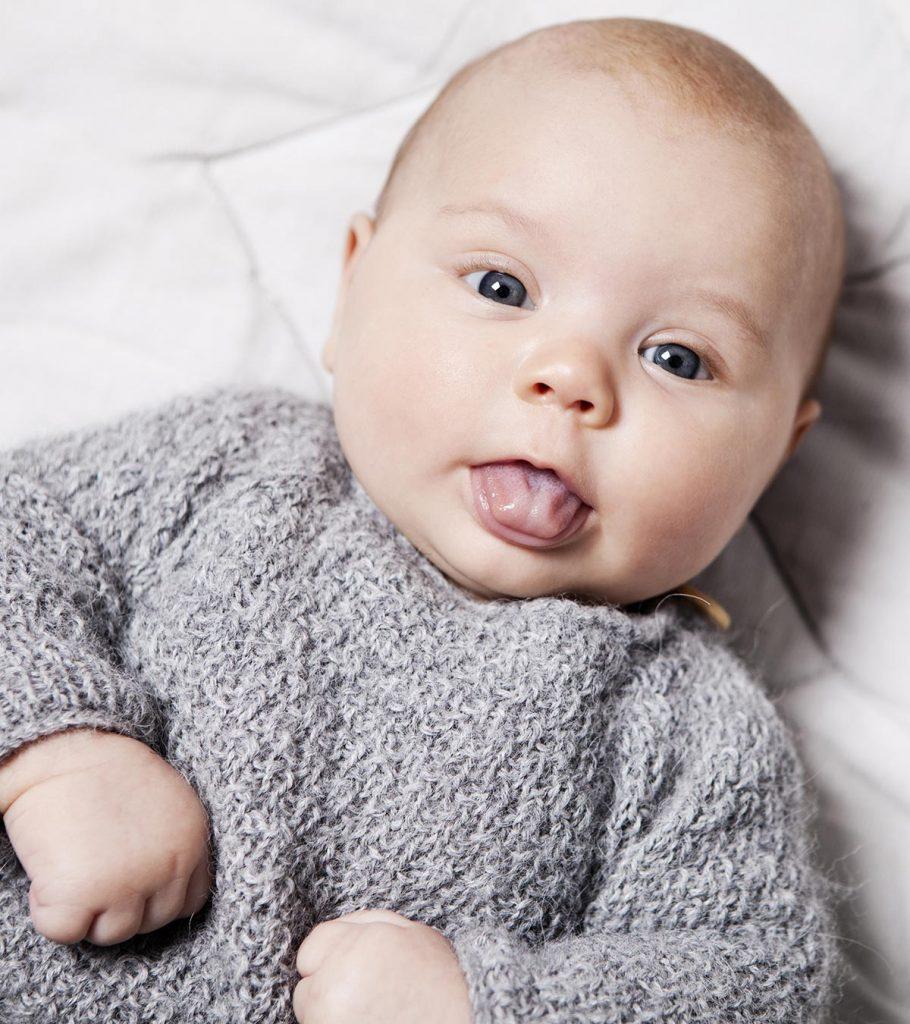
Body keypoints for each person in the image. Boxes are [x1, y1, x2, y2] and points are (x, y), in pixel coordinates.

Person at [0, 16, 848, 1024]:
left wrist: (488, 1005)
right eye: (502, 286)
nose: (570, 379)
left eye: (677, 357)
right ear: (352, 281)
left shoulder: (687, 733)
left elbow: (753, 980)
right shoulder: (231, 464)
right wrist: (56, 742)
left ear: (774, 454)